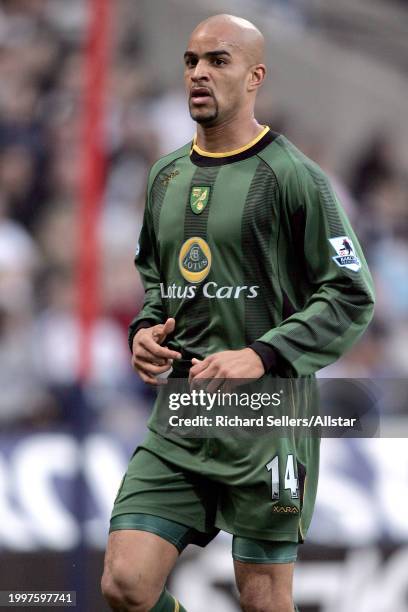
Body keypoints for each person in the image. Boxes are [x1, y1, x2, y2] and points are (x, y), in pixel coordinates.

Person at [101, 14, 375, 612]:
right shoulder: (165, 176)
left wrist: (262, 354)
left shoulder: (295, 177)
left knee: (263, 602)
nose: (199, 73)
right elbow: (157, 282)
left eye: (218, 61)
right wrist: (145, 330)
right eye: (191, 61)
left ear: (254, 77)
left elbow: (352, 292)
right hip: (184, 413)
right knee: (125, 585)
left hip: (269, 422)